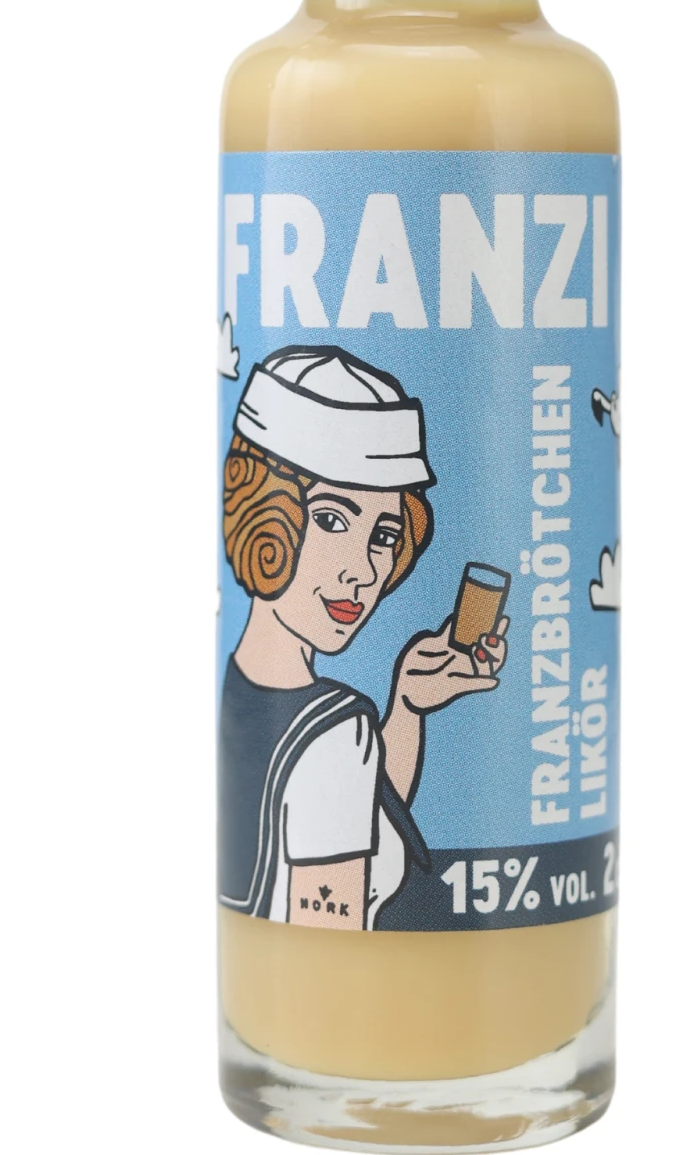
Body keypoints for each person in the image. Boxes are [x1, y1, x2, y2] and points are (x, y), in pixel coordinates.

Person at [218, 346, 508, 930]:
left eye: (384, 535)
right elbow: (336, 928)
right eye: (332, 519)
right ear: (266, 515)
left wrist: (406, 706)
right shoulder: (337, 732)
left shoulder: (240, 691)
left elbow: (356, 814)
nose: (363, 570)